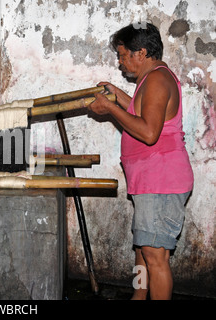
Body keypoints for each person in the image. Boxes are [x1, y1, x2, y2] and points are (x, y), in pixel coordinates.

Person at [88, 23, 193, 300]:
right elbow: (140, 112)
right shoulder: (151, 80)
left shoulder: (158, 80)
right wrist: (116, 95)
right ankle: (138, 296)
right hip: (150, 182)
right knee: (143, 250)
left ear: (142, 52)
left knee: (155, 257)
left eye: (123, 55)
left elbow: (148, 132)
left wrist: (110, 108)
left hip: (161, 182)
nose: (120, 62)